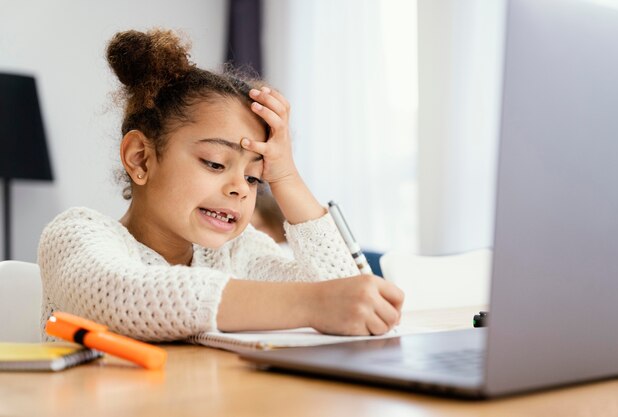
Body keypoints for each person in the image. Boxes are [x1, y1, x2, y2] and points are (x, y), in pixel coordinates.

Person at [38, 29, 404, 342]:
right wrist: (313, 304)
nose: (241, 190)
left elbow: (350, 301)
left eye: (253, 177)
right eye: (215, 163)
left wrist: (286, 177)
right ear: (141, 159)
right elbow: (125, 295)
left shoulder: (237, 252)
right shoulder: (75, 236)